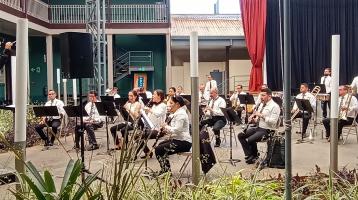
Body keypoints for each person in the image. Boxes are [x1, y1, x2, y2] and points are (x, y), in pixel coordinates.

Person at [238, 88, 280, 164]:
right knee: (241, 135)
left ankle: (254, 156)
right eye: (261, 95)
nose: (261, 97)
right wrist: (253, 120)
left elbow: (273, 122)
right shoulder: (261, 105)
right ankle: (250, 155)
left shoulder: (275, 106)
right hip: (259, 128)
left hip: (268, 130)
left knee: (250, 139)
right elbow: (258, 119)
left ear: (269, 96)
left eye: (263, 95)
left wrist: (262, 115)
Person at [155, 95, 192, 175]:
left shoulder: (181, 114)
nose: (169, 105)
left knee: (159, 149)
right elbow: (174, 130)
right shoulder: (176, 113)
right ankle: (165, 170)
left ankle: (166, 172)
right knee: (160, 145)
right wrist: (165, 129)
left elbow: (177, 130)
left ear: (178, 104)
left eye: (171, 103)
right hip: (178, 139)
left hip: (184, 142)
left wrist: (166, 127)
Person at [137, 89, 167, 158]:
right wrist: (143, 114)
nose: (152, 96)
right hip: (151, 128)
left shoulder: (163, 105)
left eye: (154, 94)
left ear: (159, 96)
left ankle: (135, 156)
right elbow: (149, 118)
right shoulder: (154, 105)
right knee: (137, 136)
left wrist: (149, 110)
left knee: (140, 137)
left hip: (158, 130)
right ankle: (147, 151)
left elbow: (158, 114)